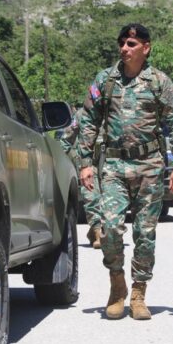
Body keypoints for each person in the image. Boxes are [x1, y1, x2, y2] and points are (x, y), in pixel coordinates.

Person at [77, 23, 173, 320]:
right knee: (111, 228)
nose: (124, 48)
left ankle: (139, 292)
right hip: (114, 165)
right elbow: (88, 120)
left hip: (150, 166)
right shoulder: (106, 79)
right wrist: (85, 162)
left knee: (145, 233)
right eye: (122, 43)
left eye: (131, 44)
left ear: (146, 48)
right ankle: (117, 285)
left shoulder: (158, 82)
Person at [58, 106, 104, 248]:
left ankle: (101, 231)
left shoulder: (117, 111)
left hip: (111, 162)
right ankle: (97, 232)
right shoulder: (82, 114)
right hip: (87, 163)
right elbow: (66, 139)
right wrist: (58, 159)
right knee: (91, 195)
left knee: (110, 201)